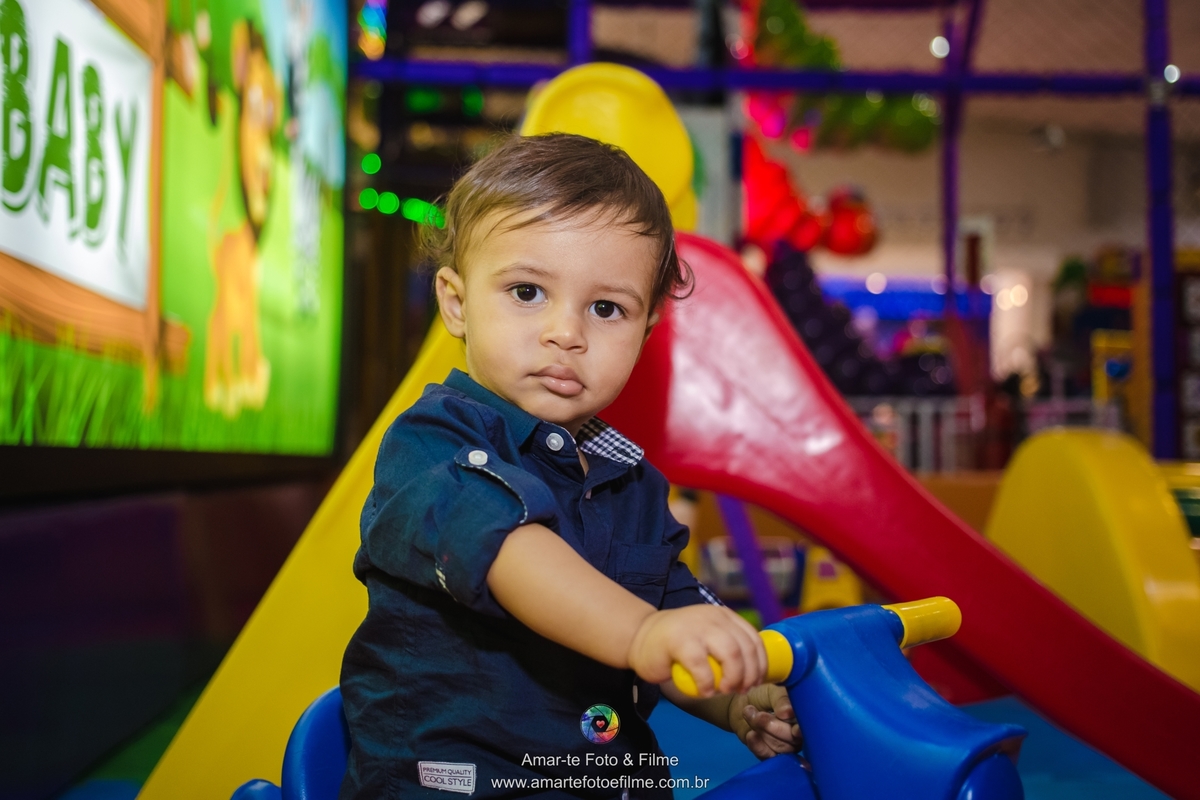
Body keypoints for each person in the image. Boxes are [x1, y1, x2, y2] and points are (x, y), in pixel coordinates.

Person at [340, 133, 801, 799]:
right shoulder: (433, 445)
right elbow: (509, 551)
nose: (567, 332)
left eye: (606, 308)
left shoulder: (631, 481)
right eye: (528, 292)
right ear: (457, 301)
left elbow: (672, 612)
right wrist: (641, 632)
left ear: (645, 332)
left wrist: (731, 700)